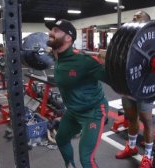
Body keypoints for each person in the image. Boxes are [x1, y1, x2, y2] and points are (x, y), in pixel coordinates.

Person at [45, 19, 108, 168]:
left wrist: (109, 62)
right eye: (51, 30)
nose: (50, 33)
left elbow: (118, 82)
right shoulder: (58, 55)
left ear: (68, 38)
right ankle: (70, 165)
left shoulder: (84, 60)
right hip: (73, 111)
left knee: (86, 159)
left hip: (93, 112)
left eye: (56, 31)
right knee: (61, 139)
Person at [115, 11, 154, 168]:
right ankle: (131, 147)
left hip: (144, 86)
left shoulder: (152, 39)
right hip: (127, 84)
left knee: (147, 120)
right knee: (131, 118)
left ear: (148, 21)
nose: (134, 19)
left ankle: (148, 156)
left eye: (139, 17)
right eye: (134, 17)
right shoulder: (128, 37)